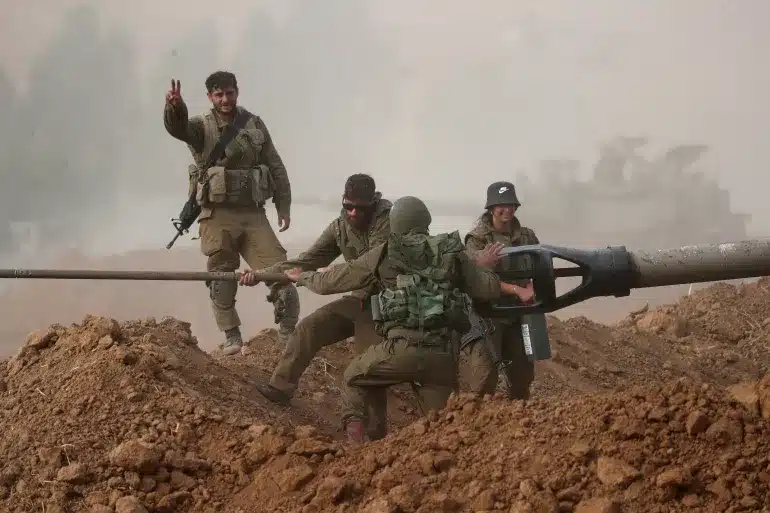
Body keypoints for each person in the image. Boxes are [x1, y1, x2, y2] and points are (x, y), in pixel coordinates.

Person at [241, 196, 523, 444]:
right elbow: (486, 288)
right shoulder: (451, 252)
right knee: (443, 428)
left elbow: (332, 281)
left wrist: (302, 277)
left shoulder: (386, 251)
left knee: (354, 376)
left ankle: (361, 449)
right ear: (426, 221)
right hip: (443, 357)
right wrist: (489, 271)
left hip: (402, 347)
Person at [243, 174, 392, 439]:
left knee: (366, 365)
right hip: (359, 300)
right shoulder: (340, 227)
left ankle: (375, 434)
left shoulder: (387, 225)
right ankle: (280, 388)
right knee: (309, 328)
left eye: (360, 208)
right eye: (348, 206)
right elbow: (306, 261)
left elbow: (362, 271)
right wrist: (262, 275)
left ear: (374, 202)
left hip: (387, 303)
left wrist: (318, 278)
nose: (353, 213)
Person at [163, 71, 299, 355]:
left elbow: (275, 164)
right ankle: (232, 336)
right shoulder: (201, 126)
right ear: (210, 97)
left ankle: (288, 336)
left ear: (237, 92)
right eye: (219, 95)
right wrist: (174, 107)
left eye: (229, 93)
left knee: (282, 274)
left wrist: (283, 205)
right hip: (217, 215)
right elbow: (179, 129)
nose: (225, 99)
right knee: (221, 277)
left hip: (253, 215)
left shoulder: (254, 124)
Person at [462, 181, 539, 399]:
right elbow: (476, 278)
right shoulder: (477, 239)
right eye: (501, 205)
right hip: (489, 315)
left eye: (511, 204)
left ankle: (519, 416)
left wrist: (531, 285)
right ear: (491, 208)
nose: (507, 210)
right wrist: (515, 289)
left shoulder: (527, 236)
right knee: (483, 378)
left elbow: (540, 266)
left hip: (520, 314)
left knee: (522, 377)